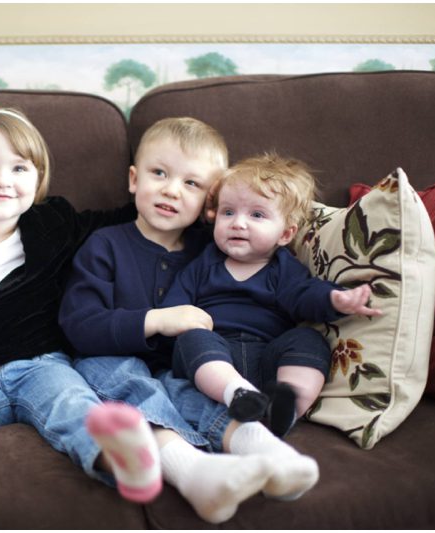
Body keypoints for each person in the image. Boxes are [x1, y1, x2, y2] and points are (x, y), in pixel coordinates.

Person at [0, 105, 270, 529]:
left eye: (19, 169)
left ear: (39, 179)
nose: (2, 181)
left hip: (43, 363)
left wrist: (218, 212)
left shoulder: (55, 222)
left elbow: (139, 220)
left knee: (75, 405)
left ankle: (132, 463)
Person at [60, 119, 323, 523]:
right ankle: (193, 471)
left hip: (184, 368)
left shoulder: (214, 248)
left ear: (211, 204)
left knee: (194, 395)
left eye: (192, 184)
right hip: (107, 359)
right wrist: (158, 319)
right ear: (134, 179)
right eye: (159, 174)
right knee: (134, 383)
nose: (171, 189)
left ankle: (269, 452)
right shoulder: (105, 245)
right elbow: (79, 324)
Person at [163, 153, 382, 436]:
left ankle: (285, 409)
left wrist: (335, 299)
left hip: (268, 359)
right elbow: (172, 308)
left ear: (285, 234)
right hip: (213, 359)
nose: (238, 223)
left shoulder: (283, 269)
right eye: (228, 212)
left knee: (308, 339)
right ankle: (236, 394)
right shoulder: (203, 264)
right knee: (191, 337)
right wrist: (176, 321)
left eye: (256, 215)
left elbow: (305, 295)